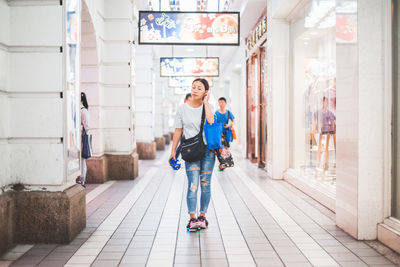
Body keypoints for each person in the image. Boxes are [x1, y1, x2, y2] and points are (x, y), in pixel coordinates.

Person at [169, 78, 215, 231]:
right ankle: (192, 219)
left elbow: (210, 120)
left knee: (205, 184)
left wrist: (206, 103)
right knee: (193, 185)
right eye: (193, 87)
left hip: (208, 151)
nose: (195, 90)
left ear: (205, 92)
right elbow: (178, 130)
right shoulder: (182, 109)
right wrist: (172, 152)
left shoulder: (208, 107)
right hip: (191, 151)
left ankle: (202, 216)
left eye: (199, 88)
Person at [215, 97, 235, 171]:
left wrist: (229, 125)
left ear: (225, 103)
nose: (221, 104)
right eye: (219, 102)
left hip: (226, 134)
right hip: (218, 134)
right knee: (219, 149)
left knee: (225, 149)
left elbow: (233, 121)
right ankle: (222, 163)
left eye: (222, 102)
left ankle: (223, 163)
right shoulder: (216, 113)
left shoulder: (228, 112)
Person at [80, 92, 90, 188]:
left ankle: (82, 180)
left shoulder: (83, 111)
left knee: (82, 159)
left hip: (82, 137)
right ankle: (82, 179)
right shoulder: (83, 110)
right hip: (81, 137)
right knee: (82, 159)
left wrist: (81, 128)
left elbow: (87, 127)